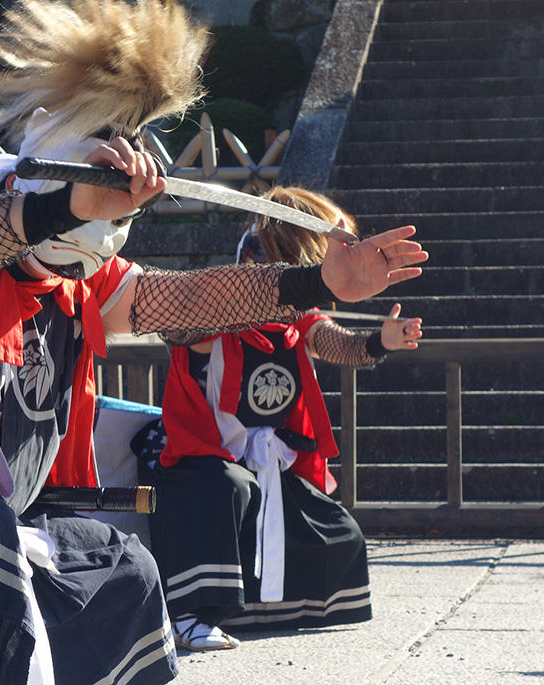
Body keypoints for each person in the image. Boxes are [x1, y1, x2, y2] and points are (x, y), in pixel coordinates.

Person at [0, 0, 428, 682]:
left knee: (123, 566)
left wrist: (316, 284)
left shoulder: (80, 283)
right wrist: (62, 206)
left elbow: (183, 303)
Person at [133, 186, 423, 652]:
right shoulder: (212, 320)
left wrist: (379, 342)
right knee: (227, 487)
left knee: (337, 531)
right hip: (197, 459)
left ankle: (279, 609)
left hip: (268, 461)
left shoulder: (297, 324)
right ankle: (190, 613)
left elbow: (334, 341)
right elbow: (180, 324)